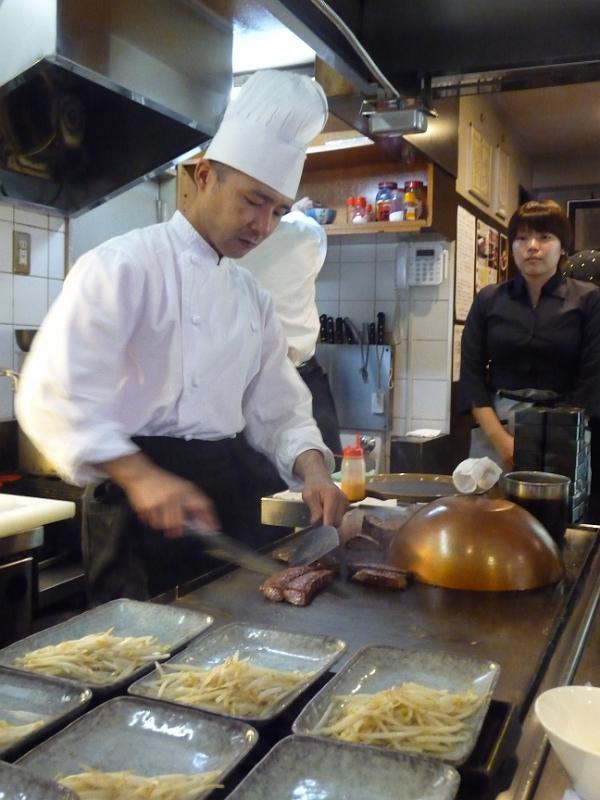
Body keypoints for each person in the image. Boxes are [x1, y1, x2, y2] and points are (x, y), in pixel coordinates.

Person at [16, 69, 348, 604]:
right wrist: (139, 475)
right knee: (135, 653)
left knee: (235, 643)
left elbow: (279, 407)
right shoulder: (121, 266)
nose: (264, 226)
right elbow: (51, 394)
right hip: (135, 508)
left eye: (278, 211)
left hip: (224, 502)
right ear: (203, 175)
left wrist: (314, 471)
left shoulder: (253, 299)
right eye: (253, 200)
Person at [458, 199, 600, 468]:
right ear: (511, 246)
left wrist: (550, 441)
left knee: (557, 496)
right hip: (497, 428)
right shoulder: (489, 299)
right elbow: (471, 375)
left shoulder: (589, 299)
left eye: (545, 237)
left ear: (563, 246)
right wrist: (501, 440)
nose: (532, 246)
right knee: (492, 496)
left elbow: (593, 380)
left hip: (564, 429)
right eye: (521, 238)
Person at [234, 202, 342, 469]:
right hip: (299, 375)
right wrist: (298, 211)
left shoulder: (225, 246)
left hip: (247, 382)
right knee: (323, 479)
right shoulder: (307, 232)